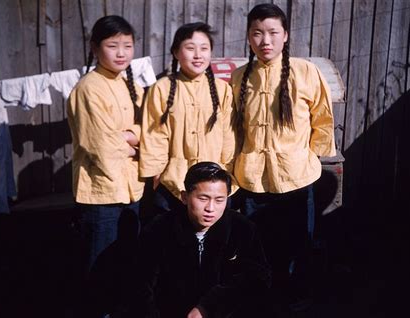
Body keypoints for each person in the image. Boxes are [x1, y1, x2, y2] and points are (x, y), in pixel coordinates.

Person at [229, 3, 336, 310]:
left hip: (295, 179)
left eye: (273, 32)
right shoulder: (239, 78)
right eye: (257, 33)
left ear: (285, 35)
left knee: (297, 246)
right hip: (252, 179)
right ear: (249, 37)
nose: (265, 41)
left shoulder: (305, 72)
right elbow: (233, 128)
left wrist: (306, 158)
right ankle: (259, 302)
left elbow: (322, 119)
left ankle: (293, 301)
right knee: (257, 248)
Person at [129, 162, 271, 318]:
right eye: (203, 198)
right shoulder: (159, 230)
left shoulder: (242, 229)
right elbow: (141, 287)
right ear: (185, 197)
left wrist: (208, 307)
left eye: (219, 200)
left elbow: (256, 277)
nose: (211, 208)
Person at [67, 15, 144, 275]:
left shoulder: (132, 85)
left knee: (128, 260)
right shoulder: (89, 88)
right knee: (102, 266)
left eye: (127, 45)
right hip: (103, 192)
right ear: (95, 48)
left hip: (132, 189)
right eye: (112, 46)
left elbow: (152, 128)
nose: (121, 53)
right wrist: (137, 148)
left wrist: (128, 135)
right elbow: (101, 145)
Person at [139, 22, 236, 217]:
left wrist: (227, 171)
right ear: (176, 52)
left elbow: (229, 134)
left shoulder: (222, 89)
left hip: (214, 183)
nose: (198, 55)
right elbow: (154, 136)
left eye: (204, 48)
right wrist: (157, 176)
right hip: (172, 183)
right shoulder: (162, 88)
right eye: (190, 48)